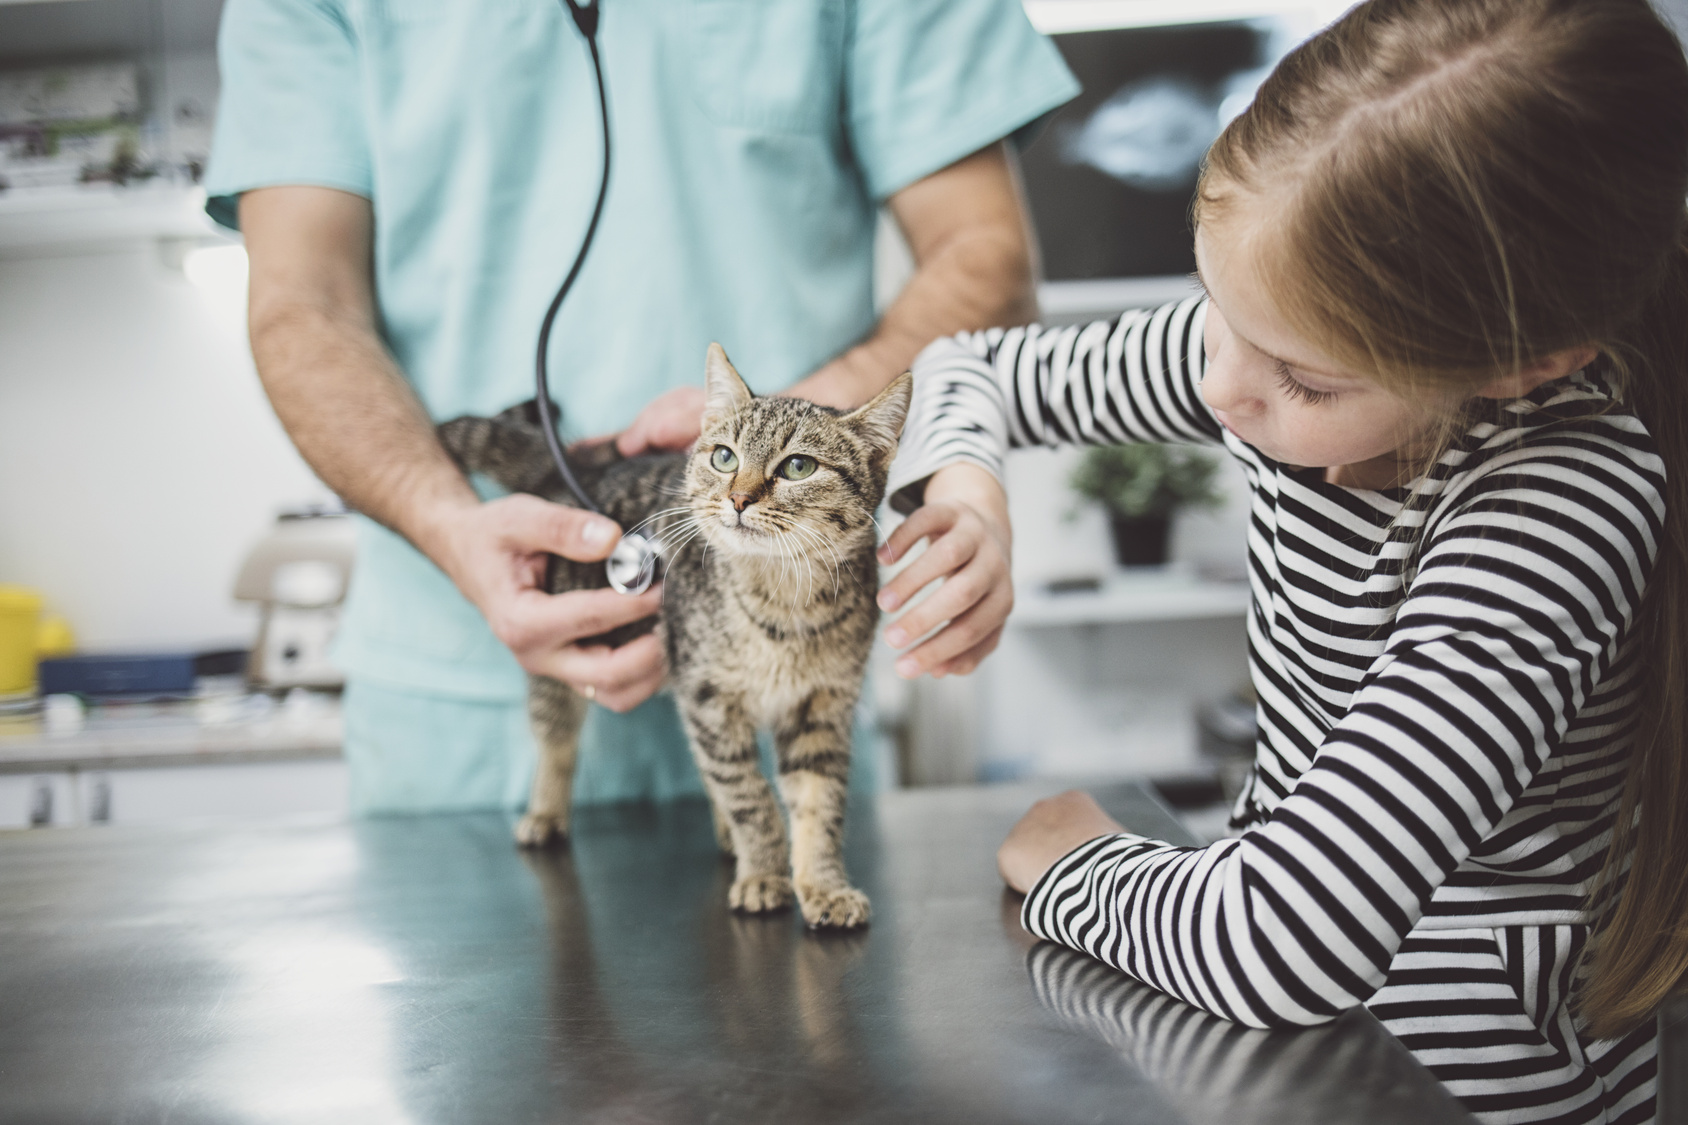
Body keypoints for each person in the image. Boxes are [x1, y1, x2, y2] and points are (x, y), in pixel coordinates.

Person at [879, 0, 1686, 1119]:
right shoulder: (1265, 354)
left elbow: (1282, 941)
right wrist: (969, 493)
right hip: (1296, 1069)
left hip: (1465, 1087)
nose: (1217, 391)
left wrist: (1073, 862)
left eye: (1303, 381)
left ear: (1519, 365)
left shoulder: (1554, 504)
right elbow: (962, 370)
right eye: (1215, 310)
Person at [204, 0, 1077, 812]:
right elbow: (301, 303)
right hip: (456, 723)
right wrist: (448, 526)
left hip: (790, 693)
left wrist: (785, 439)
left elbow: (984, 258)